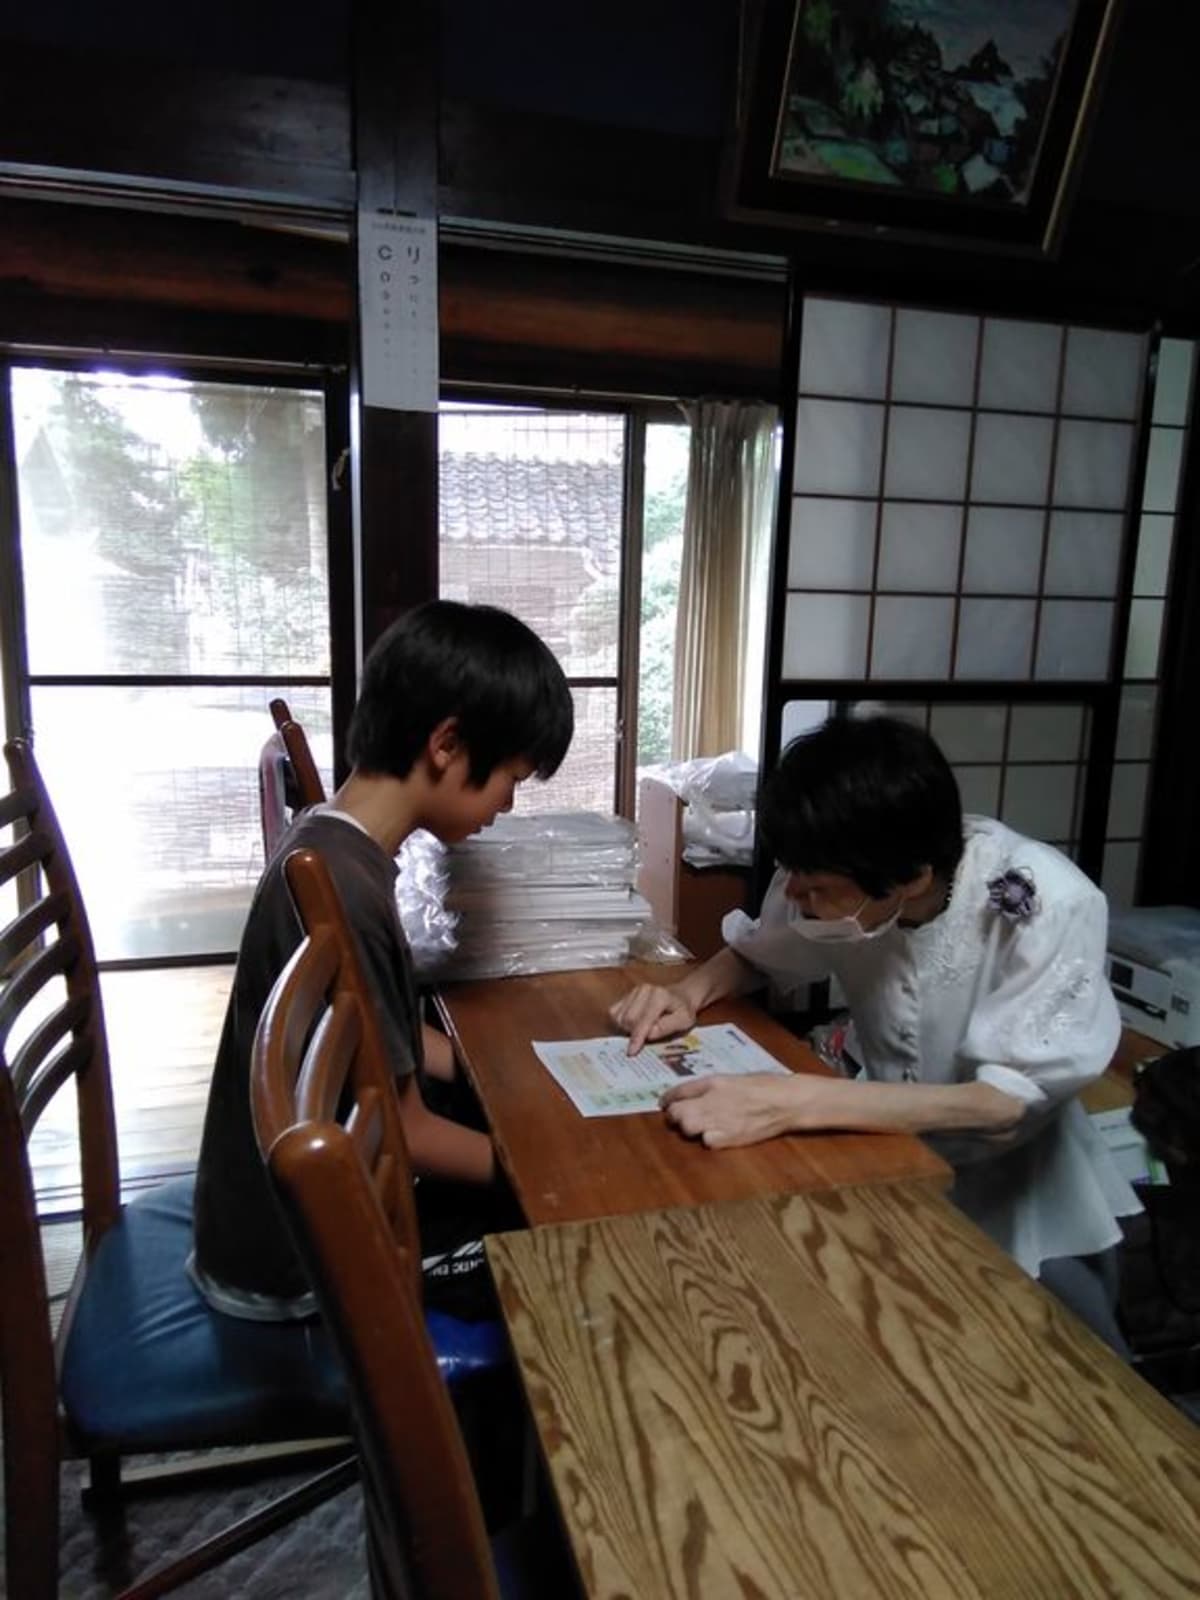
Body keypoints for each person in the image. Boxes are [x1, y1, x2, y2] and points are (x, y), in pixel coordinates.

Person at [611, 714, 1140, 1352]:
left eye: (817, 888)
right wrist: (687, 993)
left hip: (1026, 1204)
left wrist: (797, 1100)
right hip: (889, 1166)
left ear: (912, 880)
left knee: (1058, 1375)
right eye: (794, 877)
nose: (797, 895)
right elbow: (765, 952)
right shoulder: (830, 868)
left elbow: (1002, 1105)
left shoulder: (1041, 901)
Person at [191, 600, 573, 1319]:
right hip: (304, 1265)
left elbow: (377, 1033)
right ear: (447, 743)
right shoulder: (343, 888)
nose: (508, 804)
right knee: (573, 1227)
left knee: (501, 1122)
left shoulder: (331, 843)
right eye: (511, 779)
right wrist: (553, 1166)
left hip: (267, 1222)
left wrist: (498, 1067)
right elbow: (409, 1134)